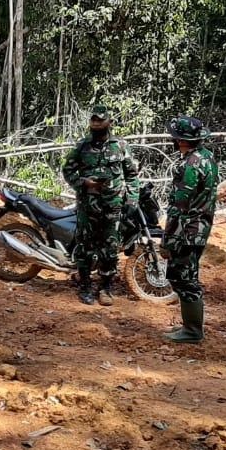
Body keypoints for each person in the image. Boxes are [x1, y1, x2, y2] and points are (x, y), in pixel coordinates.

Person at [60, 104, 140, 306]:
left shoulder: (120, 146)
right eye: (93, 120)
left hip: (113, 206)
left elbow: (131, 174)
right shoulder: (82, 146)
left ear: (109, 123)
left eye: (100, 121)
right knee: (85, 248)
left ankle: (105, 287)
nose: (96, 124)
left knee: (110, 249)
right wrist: (83, 183)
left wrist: (132, 199)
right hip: (88, 206)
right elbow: (68, 170)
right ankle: (85, 286)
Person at [160, 116, 218, 344]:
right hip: (200, 228)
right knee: (187, 276)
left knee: (184, 279)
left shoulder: (189, 166)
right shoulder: (207, 158)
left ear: (181, 140)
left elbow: (179, 206)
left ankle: (193, 330)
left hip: (186, 231)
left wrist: (167, 239)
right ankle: (190, 327)